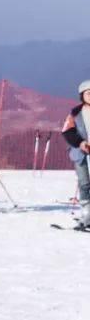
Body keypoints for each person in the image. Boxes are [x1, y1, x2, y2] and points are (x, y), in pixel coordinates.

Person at [61, 80, 90, 231]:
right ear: (82, 95)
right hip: (81, 153)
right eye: (87, 93)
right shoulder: (75, 112)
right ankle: (86, 215)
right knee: (84, 183)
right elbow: (67, 131)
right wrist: (80, 143)